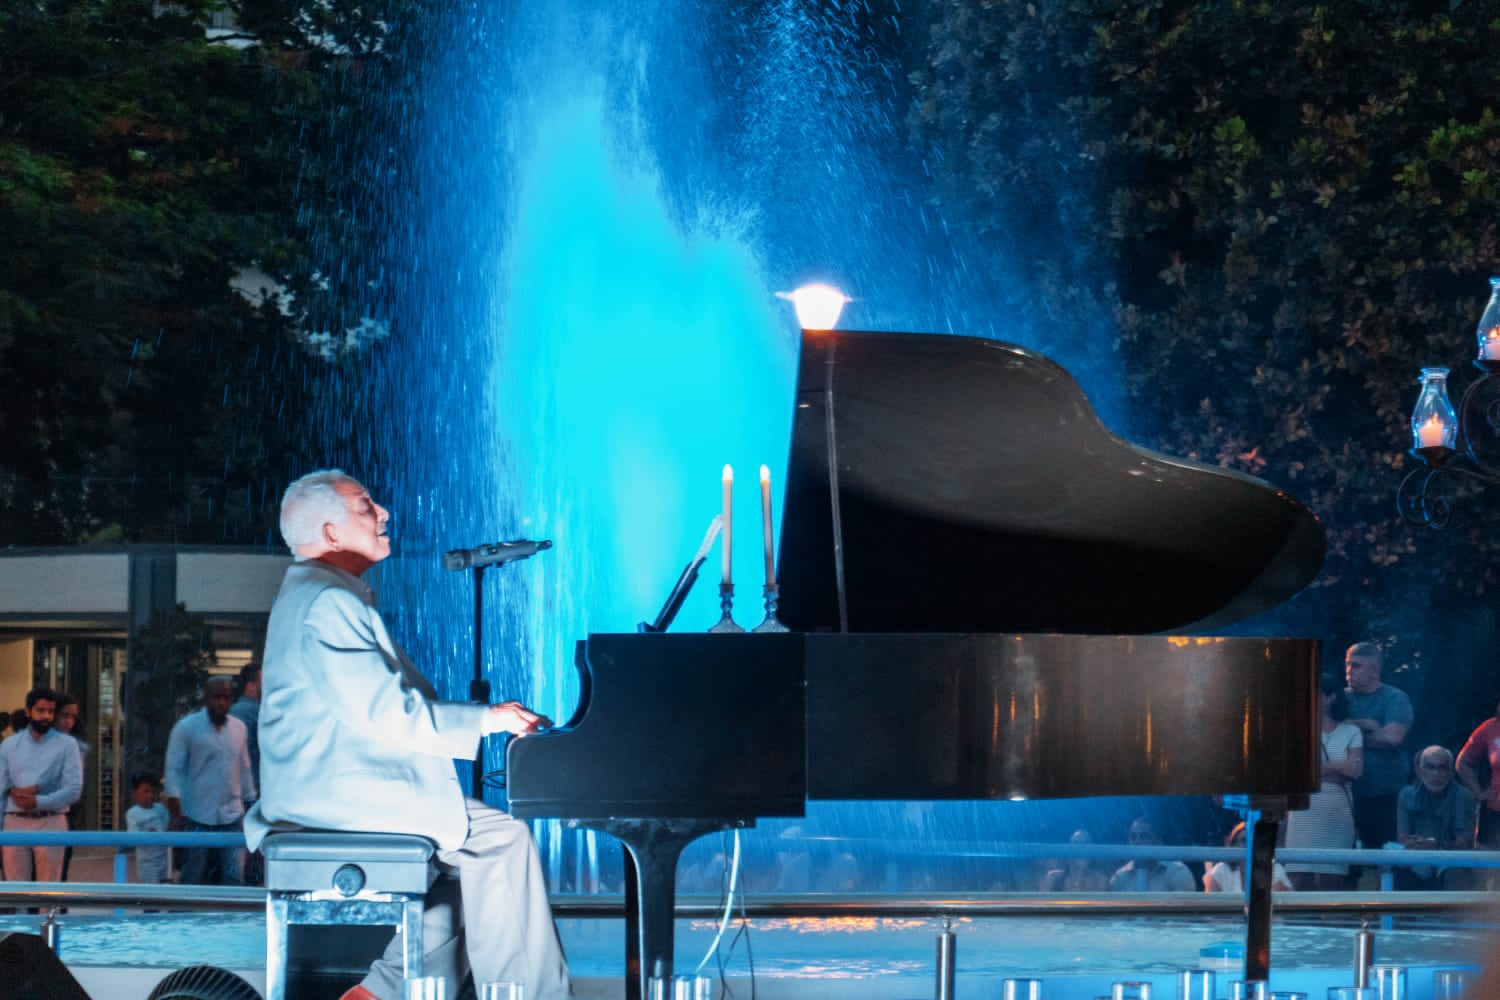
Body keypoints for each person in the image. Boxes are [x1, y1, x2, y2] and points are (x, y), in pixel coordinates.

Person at [242, 469, 571, 1000]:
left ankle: (382, 992)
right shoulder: (328, 603)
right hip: (331, 798)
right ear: (329, 533)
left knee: (477, 867)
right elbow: (389, 711)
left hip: (329, 789)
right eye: (365, 504)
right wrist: (491, 718)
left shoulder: (317, 595)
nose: (384, 513)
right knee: (504, 844)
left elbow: (377, 708)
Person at [164, 675, 255, 885]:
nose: (221, 702)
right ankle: (187, 918)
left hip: (232, 815)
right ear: (206, 698)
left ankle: (230, 919)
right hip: (196, 815)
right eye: (216, 697)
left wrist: (251, 802)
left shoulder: (239, 728)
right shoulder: (186, 728)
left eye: (226, 697)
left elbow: (244, 767)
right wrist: (176, 810)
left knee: (233, 877)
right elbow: (174, 769)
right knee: (194, 875)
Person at [1284, 677, 1364, 890]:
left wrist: (1316, 769)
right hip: (1303, 811)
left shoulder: (1351, 731)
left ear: (1330, 697)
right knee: (1298, 878)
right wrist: (1339, 767)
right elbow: (1295, 770)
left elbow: (1356, 770)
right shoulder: (1297, 729)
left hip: (1336, 812)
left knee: (1332, 879)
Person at [0, 687, 83, 881]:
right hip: (14, 821)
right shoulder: (10, 745)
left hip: (51, 820)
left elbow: (73, 790)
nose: (46, 716)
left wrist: (38, 802)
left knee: (50, 891)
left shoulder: (67, 744)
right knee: (16, 892)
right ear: (29, 711)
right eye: (40, 710)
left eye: (50, 711)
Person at [1344, 641, 1413, 852]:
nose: (1349, 671)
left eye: (1356, 665)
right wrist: (1366, 725)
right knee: (1344, 863)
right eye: (1347, 664)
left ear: (1374, 670)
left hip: (1385, 795)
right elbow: (1325, 731)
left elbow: (1393, 737)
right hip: (1346, 792)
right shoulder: (1340, 698)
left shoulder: (1395, 698)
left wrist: (1348, 735)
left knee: (1387, 859)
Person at [1395, 745, 1475, 890]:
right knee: (1395, 869)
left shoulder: (1464, 797)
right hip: (1416, 858)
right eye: (1430, 767)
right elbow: (1402, 837)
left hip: (1450, 861)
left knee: (1454, 873)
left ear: (1451, 772)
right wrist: (1421, 845)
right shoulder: (1407, 795)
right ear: (1419, 771)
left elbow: (1464, 844)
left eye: (1442, 768)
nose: (1436, 774)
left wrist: (1437, 845)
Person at [1456, 698, 1500, 850]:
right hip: (1494, 812)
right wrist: (1478, 792)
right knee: (1488, 868)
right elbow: (1463, 762)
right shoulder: (1490, 728)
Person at [1107, 816, 1196, 892]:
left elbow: (1185, 910)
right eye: (1133, 837)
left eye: (1144, 836)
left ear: (1158, 841)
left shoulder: (1177, 871)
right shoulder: (1120, 877)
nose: (1137, 841)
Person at [1203, 821, 1293, 893]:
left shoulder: (1275, 869)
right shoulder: (1221, 871)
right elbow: (1211, 909)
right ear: (1233, 844)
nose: (1249, 844)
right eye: (1244, 840)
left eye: (1254, 840)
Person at [53, 693, 88, 881]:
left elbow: (74, 783)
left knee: (61, 865)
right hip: (37, 810)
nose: (69, 721)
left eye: (73, 717)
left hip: (67, 808)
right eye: (64, 715)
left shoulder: (77, 746)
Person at [125, 774, 171, 883]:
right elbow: (133, 835)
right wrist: (147, 834)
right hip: (147, 863)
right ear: (135, 793)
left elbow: (167, 828)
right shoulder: (132, 813)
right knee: (151, 894)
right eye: (146, 792)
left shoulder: (161, 809)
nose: (150, 795)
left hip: (164, 861)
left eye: (152, 792)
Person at [1040, 828, 1110, 892]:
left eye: (1086, 844)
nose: (1081, 849)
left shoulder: (1100, 880)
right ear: (1068, 850)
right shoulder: (1054, 879)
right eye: (1076, 843)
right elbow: (1042, 903)